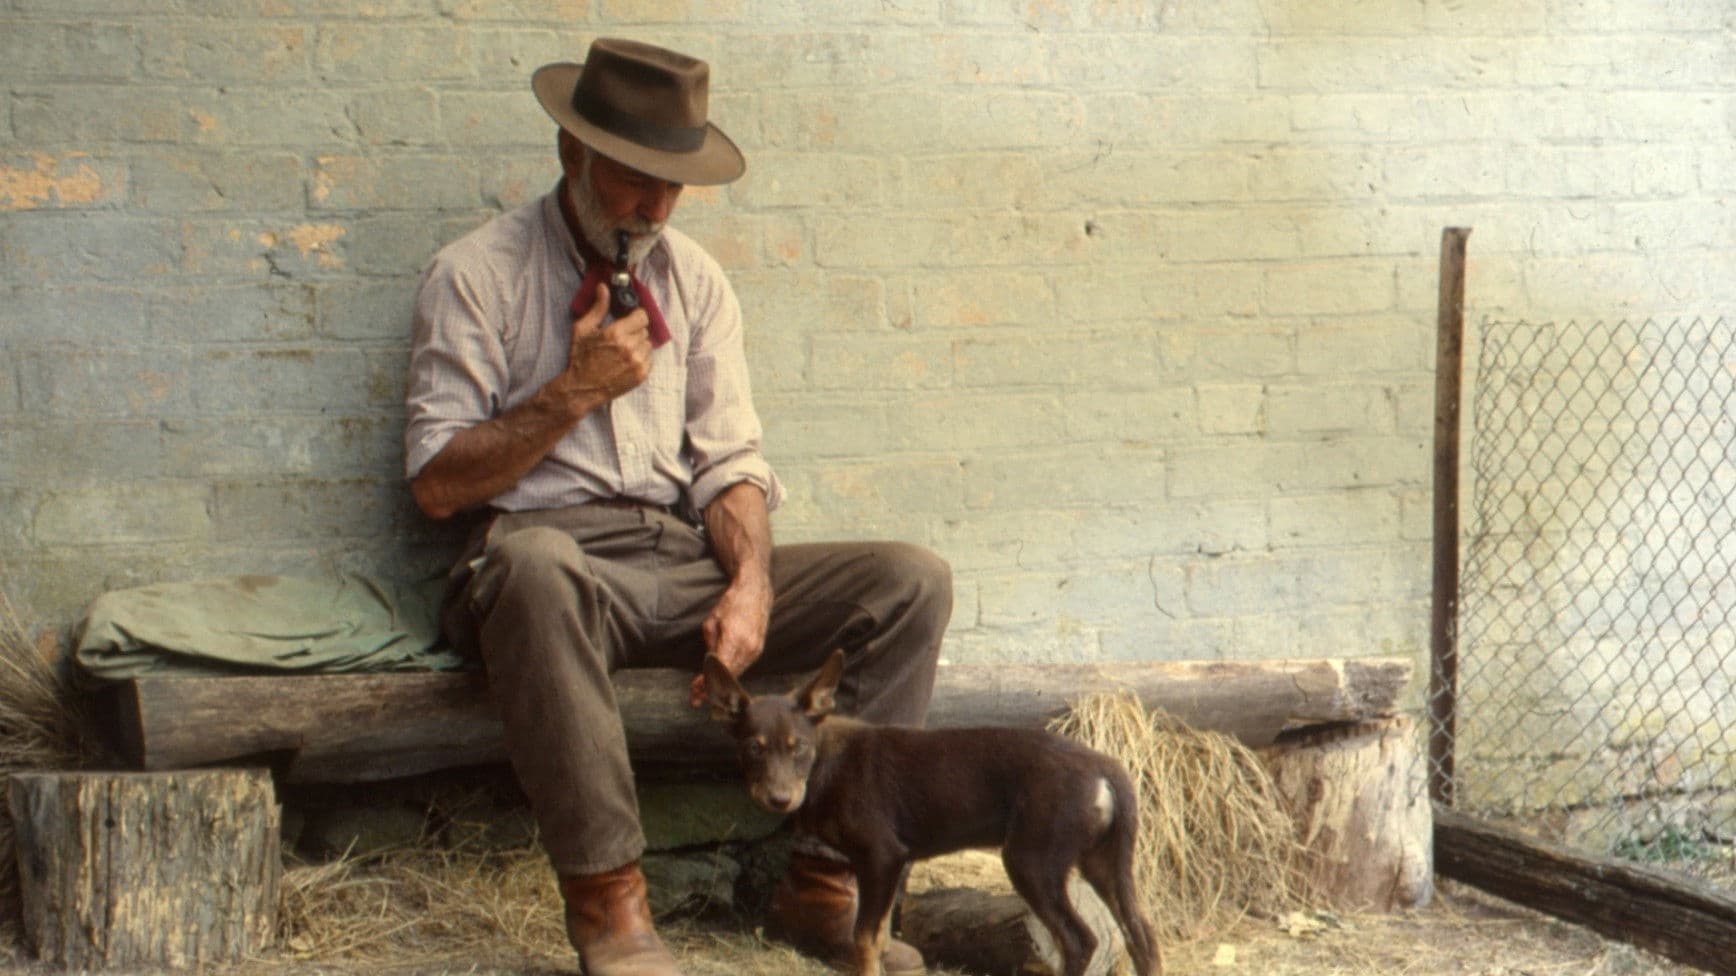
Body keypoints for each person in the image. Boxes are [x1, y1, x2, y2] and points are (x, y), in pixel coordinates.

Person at [403, 37, 952, 976]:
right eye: (633, 178)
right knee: (534, 567)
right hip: (549, 565)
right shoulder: (475, 275)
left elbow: (729, 462)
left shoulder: (694, 280)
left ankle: (827, 887)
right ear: (571, 152)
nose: (655, 208)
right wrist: (574, 392)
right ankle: (611, 906)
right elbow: (437, 484)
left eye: (674, 186)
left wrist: (750, 585)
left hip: (677, 558)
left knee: (911, 581)